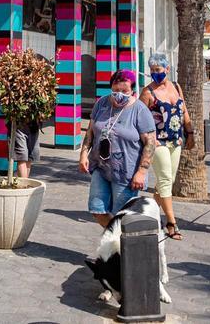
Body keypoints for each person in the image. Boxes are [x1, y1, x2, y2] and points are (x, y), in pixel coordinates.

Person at [80, 69, 157, 227]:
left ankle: (122, 247)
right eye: (115, 90)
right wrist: (83, 154)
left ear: (132, 91)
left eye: (124, 91)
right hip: (101, 167)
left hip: (126, 173)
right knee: (97, 208)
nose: (119, 94)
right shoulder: (101, 103)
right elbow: (90, 132)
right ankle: (116, 239)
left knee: (121, 216)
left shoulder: (140, 110)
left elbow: (150, 143)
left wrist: (142, 172)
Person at [140, 53, 195, 240]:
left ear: (167, 69)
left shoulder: (176, 87)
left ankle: (150, 213)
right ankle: (171, 223)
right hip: (158, 142)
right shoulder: (147, 92)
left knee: (169, 181)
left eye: (159, 70)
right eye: (152, 70)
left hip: (176, 140)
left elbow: (183, 110)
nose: (155, 73)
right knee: (164, 180)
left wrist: (191, 132)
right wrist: (148, 138)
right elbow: (138, 118)